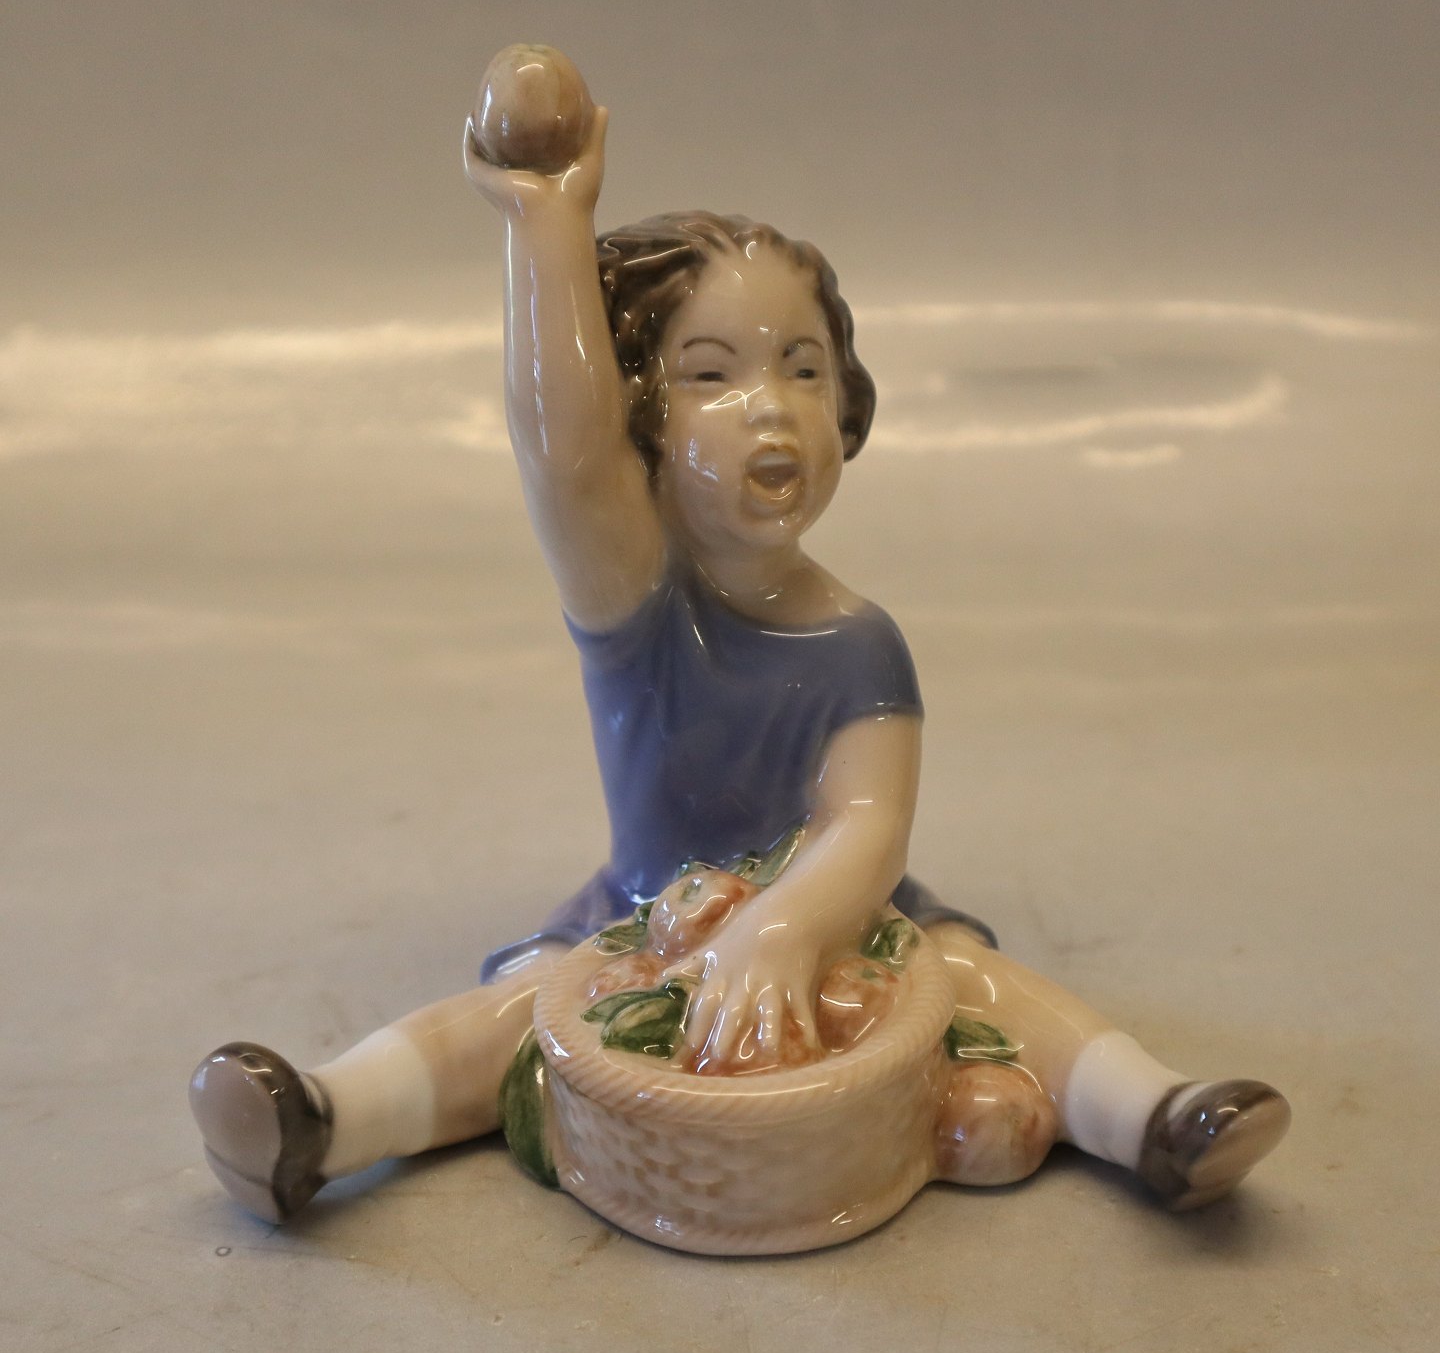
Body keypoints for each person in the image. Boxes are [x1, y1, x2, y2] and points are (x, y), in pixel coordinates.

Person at [189, 107, 1289, 1225]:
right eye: (709, 374)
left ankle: (1154, 1116)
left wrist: (782, 930)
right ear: (641, 419)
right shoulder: (638, 602)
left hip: (845, 921)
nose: (771, 404)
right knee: (525, 1014)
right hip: (642, 924)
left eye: (804, 368)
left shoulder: (859, 641)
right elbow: (564, 458)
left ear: (845, 407)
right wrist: (545, 222)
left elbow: (867, 828)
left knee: (976, 982)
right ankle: (323, 1119)